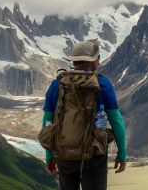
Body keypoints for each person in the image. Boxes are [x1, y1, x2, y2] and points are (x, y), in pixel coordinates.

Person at [42, 39, 127, 190]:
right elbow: (116, 120)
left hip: (64, 152)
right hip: (94, 154)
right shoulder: (103, 84)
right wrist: (122, 153)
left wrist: (49, 156)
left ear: (74, 61)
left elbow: (47, 121)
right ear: (93, 61)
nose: (99, 63)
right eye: (98, 58)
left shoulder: (58, 84)